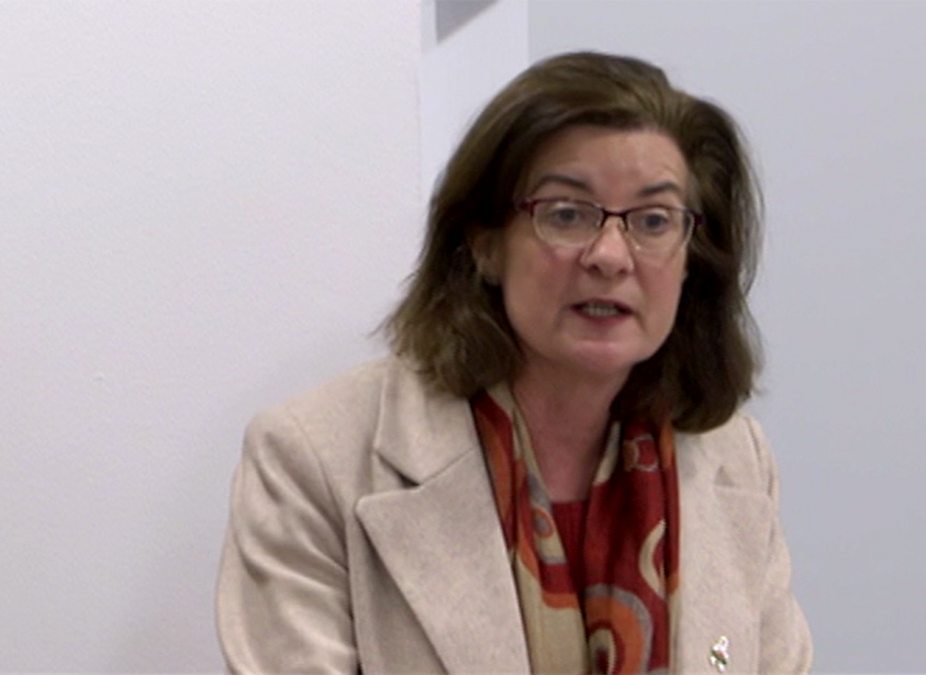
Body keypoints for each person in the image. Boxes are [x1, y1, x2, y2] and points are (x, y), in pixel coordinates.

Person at [217, 51, 812, 673]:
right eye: (567, 214)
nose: (611, 255)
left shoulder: (736, 459)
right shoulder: (315, 457)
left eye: (654, 220)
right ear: (484, 244)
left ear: (693, 258)